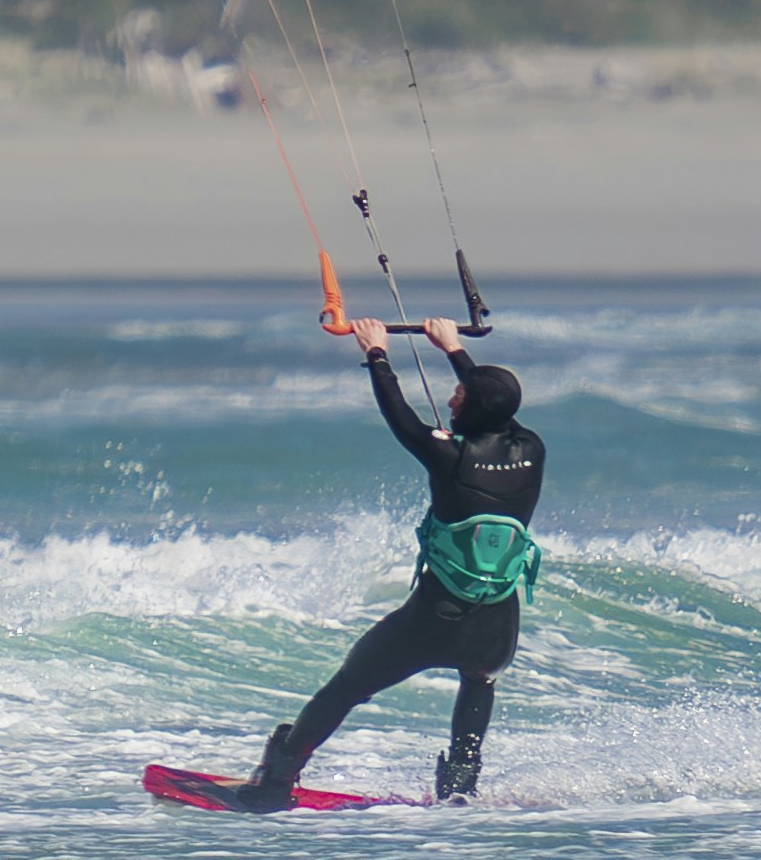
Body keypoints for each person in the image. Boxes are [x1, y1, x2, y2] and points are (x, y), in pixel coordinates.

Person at [230, 329, 543, 806]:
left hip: (433, 620)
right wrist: (453, 348)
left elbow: (399, 416)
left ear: (474, 407)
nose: (451, 400)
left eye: (459, 396)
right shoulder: (532, 449)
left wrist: (377, 354)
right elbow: (495, 403)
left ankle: (278, 776)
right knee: (479, 680)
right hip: (498, 624)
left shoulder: (449, 456)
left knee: (347, 686)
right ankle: (460, 787)